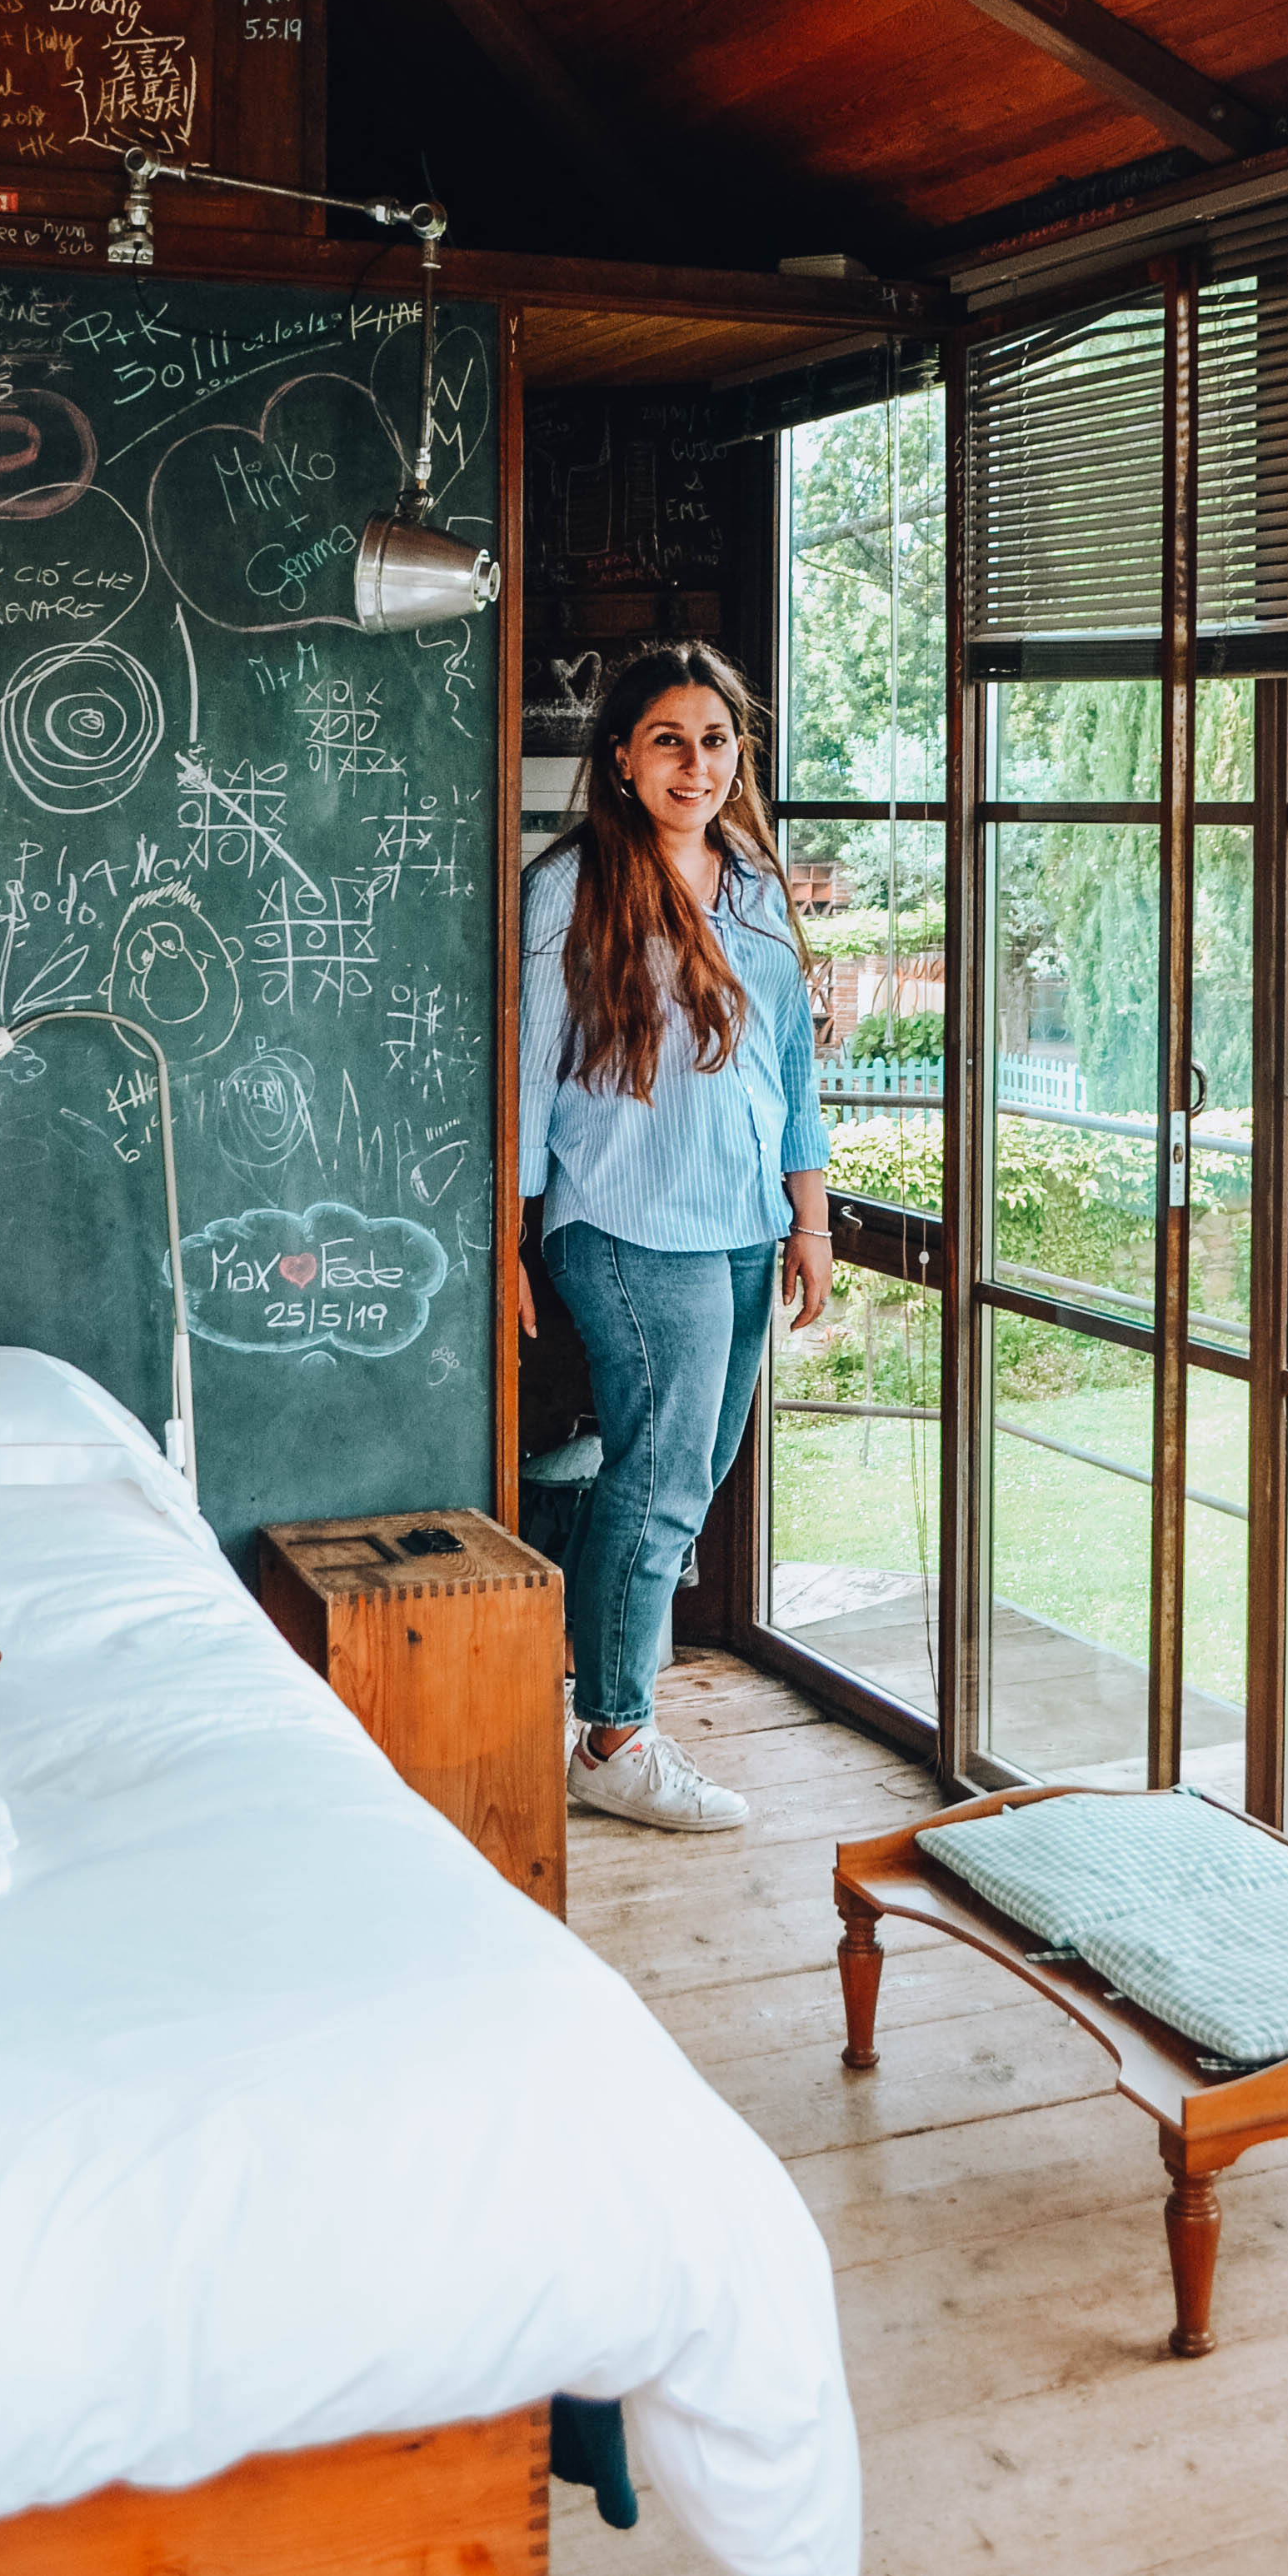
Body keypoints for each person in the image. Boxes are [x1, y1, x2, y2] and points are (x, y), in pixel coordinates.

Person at [517, 644, 833, 1831]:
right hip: (632, 1227)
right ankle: (612, 1737)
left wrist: (809, 1216)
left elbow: (791, 1065)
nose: (694, 763)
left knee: (680, 1483)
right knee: (655, 1489)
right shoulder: (573, 888)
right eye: (667, 740)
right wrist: (512, 1232)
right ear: (619, 758)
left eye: (714, 740)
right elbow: (531, 1071)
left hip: (748, 1224)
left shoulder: (753, 883)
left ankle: (612, 1718)